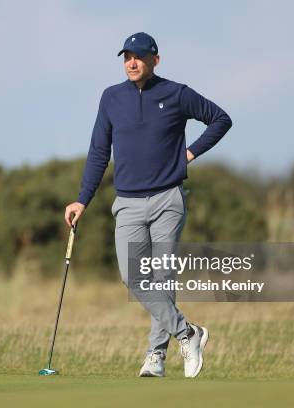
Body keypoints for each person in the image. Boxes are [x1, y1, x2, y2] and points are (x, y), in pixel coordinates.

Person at [64, 32, 232, 378]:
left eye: (139, 56)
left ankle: (155, 356)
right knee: (134, 277)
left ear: (155, 59)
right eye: (127, 56)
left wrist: (188, 155)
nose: (132, 62)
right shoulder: (111, 98)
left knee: (163, 278)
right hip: (126, 202)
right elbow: (98, 152)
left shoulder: (177, 94)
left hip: (168, 199)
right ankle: (188, 333)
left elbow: (220, 119)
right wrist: (83, 199)